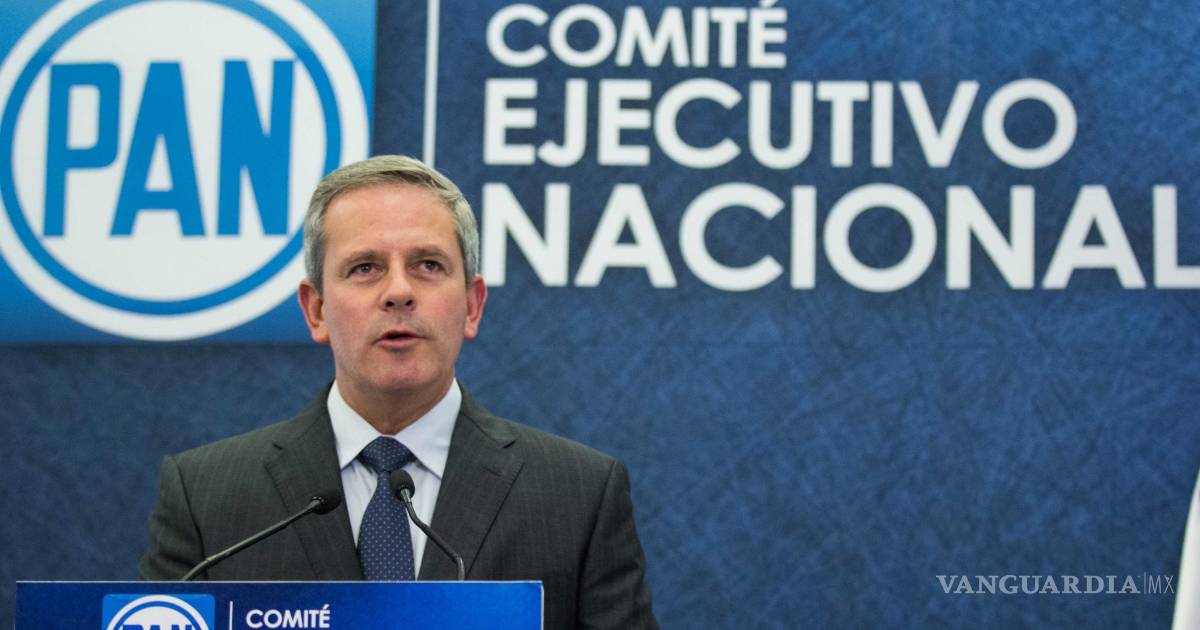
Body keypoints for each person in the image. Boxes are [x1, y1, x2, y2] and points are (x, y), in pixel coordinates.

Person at [139, 155, 659, 629]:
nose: (399, 292)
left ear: (472, 305)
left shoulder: (577, 496)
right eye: (365, 268)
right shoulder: (207, 499)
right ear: (316, 310)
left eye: (428, 265)